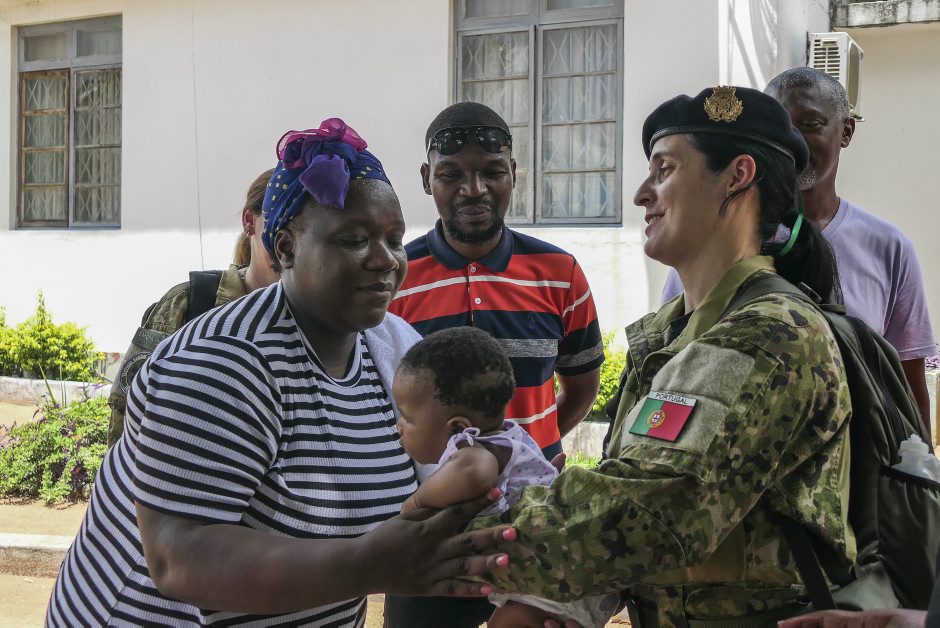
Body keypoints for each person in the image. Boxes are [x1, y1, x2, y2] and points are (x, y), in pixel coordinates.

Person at [46, 118, 513, 627]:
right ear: (286, 248)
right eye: (354, 240)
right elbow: (178, 557)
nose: (385, 260)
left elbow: (447, 469)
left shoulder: (390, 348)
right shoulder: (224, 361)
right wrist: (370, 564)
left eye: (395, 239)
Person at [473, 86, 857, 628]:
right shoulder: (671, 333)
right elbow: (627, 484)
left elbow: (645, 514)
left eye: (664, 169)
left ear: (737, 176)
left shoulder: (769, 334)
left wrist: (457, 544)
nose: (641, 194)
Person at [385, 101, 606, 627]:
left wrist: (520, 452)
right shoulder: (395, 280)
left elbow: (581, 389)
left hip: (535, 530)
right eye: (451, 175)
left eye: (491, 172)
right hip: (433, 538)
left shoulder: (560, 273)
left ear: (513, 174)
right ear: (426, 179)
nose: (473, 189)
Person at [662, 67, 937, 432]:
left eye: (809, 125)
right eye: (780, 126)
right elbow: (671, 362)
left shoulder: (889, 248)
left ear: (846, 132)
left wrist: (920, 464)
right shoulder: (711, 243)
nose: (793, 140)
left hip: (853, 464)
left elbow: (908, 387)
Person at [393, 326, 618, 627]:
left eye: (408, 418)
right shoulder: (510, 435)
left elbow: (475, 474)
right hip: (568, 566)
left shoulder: (474, 449)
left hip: (552, 580)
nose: (399, 425)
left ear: (458, 427)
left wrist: (416, 503)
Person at [105, 168, 281, 446]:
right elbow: (127, 408)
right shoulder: (187, 303)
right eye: (279, 222)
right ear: (250, 220)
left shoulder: (326, 322)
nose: (289, 243)